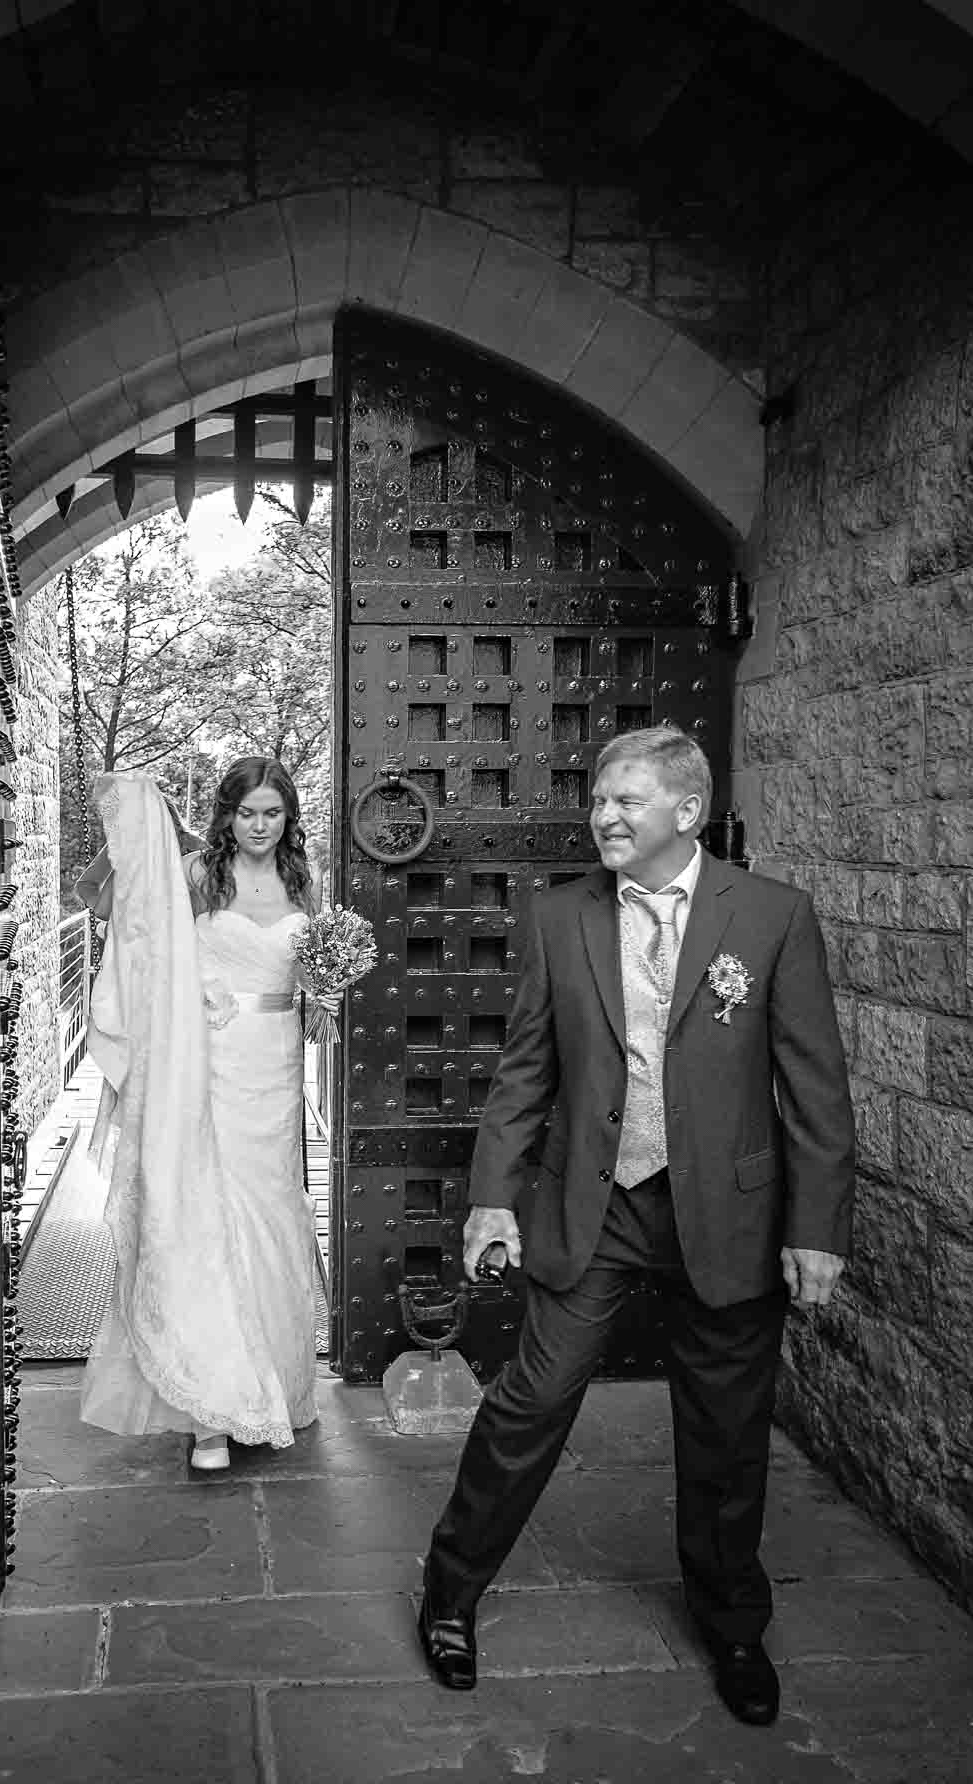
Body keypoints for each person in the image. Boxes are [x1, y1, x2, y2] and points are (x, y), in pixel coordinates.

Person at [418, 724, 855, 1727]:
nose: (602, 815)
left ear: (685, 811)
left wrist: (818, 1225)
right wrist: (494, 1195)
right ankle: (450, 1594)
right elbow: (527, 1068)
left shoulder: (775, 917)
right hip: (594, 1201)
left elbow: (816, 1090)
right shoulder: (559, 916)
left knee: (726, 1430)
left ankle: (734, 1623)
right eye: (599, 799)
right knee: (530, 1403)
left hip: (730, 1212)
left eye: (625, 801)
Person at [80, 756, 318, 1472]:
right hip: (205, 1064)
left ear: (288, 817)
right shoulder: (193, 877)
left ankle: (268, 1384)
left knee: (271, 1214)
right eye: (247, 812)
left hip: (273, 1067)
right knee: (205, 1215)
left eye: (272, 812)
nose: (258, 826)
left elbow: (307, 981)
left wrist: (325, 1004)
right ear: (227, 815)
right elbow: (129, 932)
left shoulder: (308, 882)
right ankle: (209, 1412)